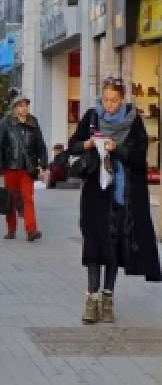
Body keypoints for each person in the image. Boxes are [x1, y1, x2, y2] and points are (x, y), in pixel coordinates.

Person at [69, 77, 162, 324]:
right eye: (106, 100)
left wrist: (116, 149)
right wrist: (88, 143)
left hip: (120, 197)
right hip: (94, 196)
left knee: (113, 249)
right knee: (93, 247)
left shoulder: (133, 123)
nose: (109, 106)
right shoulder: (91, 118)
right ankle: (92, 300)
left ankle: (108, 299)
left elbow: (139, 158)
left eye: (114, 101)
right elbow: (72, 147)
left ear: (123, 100)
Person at [0, 93, 48, 241]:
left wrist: (43, 165)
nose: (24, 108)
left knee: (27, 198)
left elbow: (41, 146)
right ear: (15, 108)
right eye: (20, 105)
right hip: (10, 167)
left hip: (26, 169)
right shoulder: (6, 124)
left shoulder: (34, 124)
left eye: (25, 105)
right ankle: (11, 229)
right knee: (10, 199)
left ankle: (31, 230)